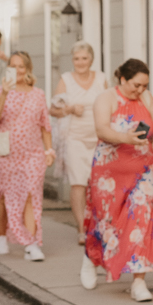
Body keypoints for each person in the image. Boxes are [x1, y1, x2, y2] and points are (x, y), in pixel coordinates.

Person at [81, 59, 153, 302]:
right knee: (105, 222)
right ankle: (91, 257)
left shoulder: (146, 98)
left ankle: (139, 282)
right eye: (136, 85)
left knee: (142, 220)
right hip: (109, 174)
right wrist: (125, 137)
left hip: (143, 172)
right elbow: (101, 130)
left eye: (144, 85)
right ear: (123, 80)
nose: (140, 90)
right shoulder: (106, 98)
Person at [0, 51, 54, 261]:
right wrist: (4, 93)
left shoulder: (38, 94)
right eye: (13, 66)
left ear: (28, 69)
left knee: (31, 196)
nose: (17, 70)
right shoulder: (0, 91)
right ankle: (2, 236)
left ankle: (31, 244)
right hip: (6, 154)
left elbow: (45, 127)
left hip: (33, 154)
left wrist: (49, 150)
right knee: (5, 197)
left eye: (21, 66)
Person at [50, 42, 108, 245]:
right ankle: (82, 228)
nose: (80, 62)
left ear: (91, 59)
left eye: (84, 58)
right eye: (76, 59)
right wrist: (69, 109)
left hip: (99, 138)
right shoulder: (66, 79)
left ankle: (99, 224)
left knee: (98, 183)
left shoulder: (101, 79)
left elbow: (112, 104)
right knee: (78, 183)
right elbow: (53, 110)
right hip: (74, 138)